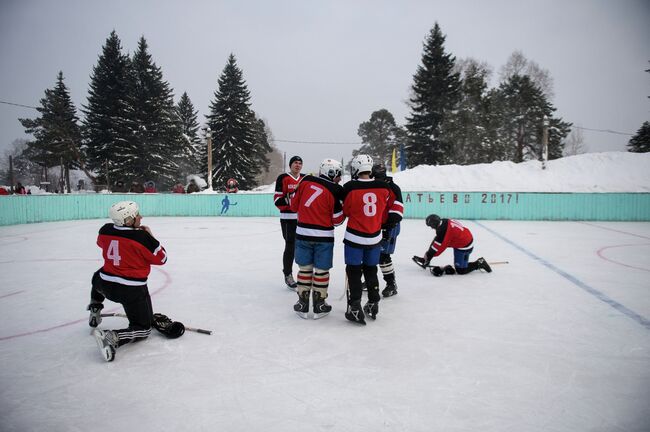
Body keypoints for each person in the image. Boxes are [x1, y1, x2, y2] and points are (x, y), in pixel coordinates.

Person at [87, 201, 171, 362]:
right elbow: (162, 258)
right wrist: (150, 237)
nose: (140, 217)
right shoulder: (141, 237)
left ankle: (95, 307)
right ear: (128, 220)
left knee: (98, 275)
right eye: (136, 215)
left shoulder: (105, 230)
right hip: (130, 291)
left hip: (103, 284)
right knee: (144, 329)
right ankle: (113, 337)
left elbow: (100, 243)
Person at [341, 155, 402, 325]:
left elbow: (344, 211)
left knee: (353, 271)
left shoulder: (350, 187)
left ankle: (354, 306)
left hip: (354, 237)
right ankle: (373, 302)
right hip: (375, 237)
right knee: (370, 270)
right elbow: (393, 207)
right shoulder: (384, 187)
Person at [289, 158, 344, 319]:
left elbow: (293, 205)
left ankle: (303, 303)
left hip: (302, 234)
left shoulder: (305, 181)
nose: (339, 178)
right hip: (324, 237)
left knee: (304, 269)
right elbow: (338, 220)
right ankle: (319, 304)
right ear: (332, 173)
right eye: (338, 174)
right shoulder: (335, 190)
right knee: (321, 271)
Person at [413, 214, 492, 276]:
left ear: (434, 224)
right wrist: (428, 256)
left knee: (461, 270)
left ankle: (479, 263)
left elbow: (437, 248)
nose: (431, 228)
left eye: (431, 226)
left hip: (464, 246)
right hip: (465, 238)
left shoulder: (444, 232)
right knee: (437, 245)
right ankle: (466, 263)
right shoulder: (444, 221)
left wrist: (427, 257)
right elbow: (437, 241)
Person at [371, 163, 404, 297]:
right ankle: (370, 282)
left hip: (389, 227)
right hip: (375, 226)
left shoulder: (394, 188)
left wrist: (385, 228)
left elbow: (397, 213)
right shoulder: (372, 185)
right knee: (370, 255)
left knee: (383, 256)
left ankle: (391, 284)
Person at [273, 155, 305, 290]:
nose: (297, 165)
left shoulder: (305, 178)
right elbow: (277, 200)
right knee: (290, 246)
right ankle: (288, 274)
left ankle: (305, 275)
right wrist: (291, 197)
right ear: (290, 165)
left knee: (304, 246)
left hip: (302, 219)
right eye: (295, 163)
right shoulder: (283, 178)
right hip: (288, 218)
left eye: (300, 163)